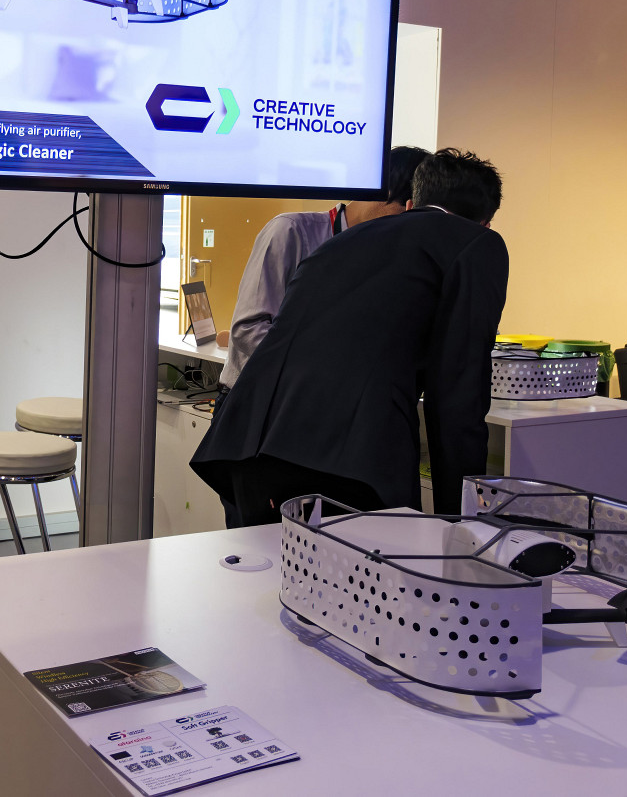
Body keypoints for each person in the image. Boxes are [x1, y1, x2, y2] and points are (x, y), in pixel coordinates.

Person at [190, 148, 508, 525]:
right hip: (349, 461)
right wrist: (462, 521)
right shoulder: (476, 244)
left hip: (248, 449)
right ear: (485, 224)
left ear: (413, 202)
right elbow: (458, 393)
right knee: (375, 561)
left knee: (272, 562)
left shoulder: (343, 240)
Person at [219, 146, 429, 391]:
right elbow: (247, 330)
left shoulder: (383, 255)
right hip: (256, 399)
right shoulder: (291, 231)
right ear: (386, 193)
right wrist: (329, 367)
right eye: (409, 213)